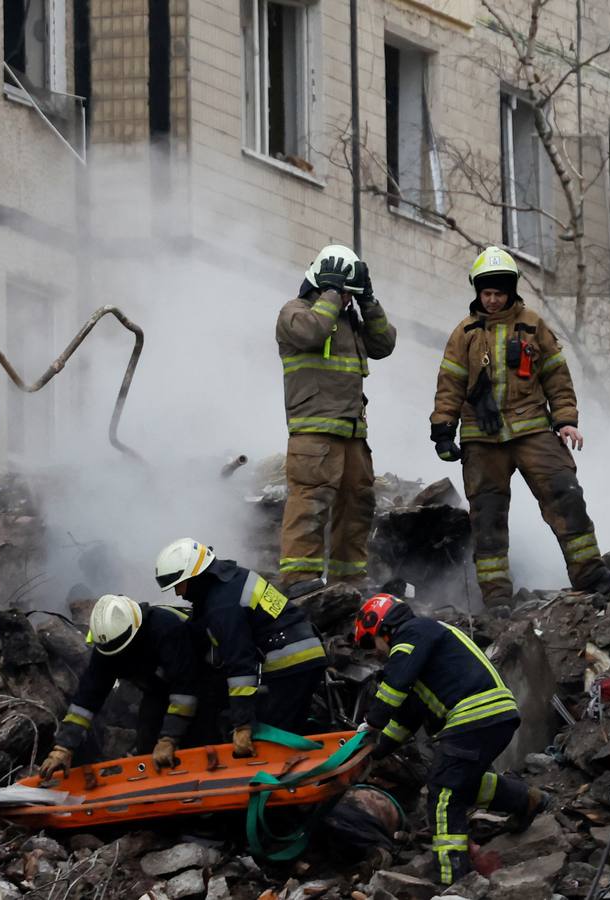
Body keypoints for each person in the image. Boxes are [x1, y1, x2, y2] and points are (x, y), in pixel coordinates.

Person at [430, 246, 610, 606]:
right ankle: (497, 600)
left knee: (566, 493)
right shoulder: (464, 333)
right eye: (487, 293)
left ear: (511, 291)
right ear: (478, 293)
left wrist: (565, 421)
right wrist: (442, 430)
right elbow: (449, 384)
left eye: (499, 293)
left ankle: (591, 576)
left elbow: (556, 377)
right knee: (486, 520)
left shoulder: (532, 325)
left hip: (532, 429)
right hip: (481, 438)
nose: (493, 300)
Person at [354, 594, 549, 885]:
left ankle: (454, 880)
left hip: (474, 715)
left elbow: (395, 685)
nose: (376, 654)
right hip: (492, 715)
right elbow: (408, 717)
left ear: (382, 627)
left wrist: (370, 723)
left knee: (444, 793)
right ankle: (526, 800)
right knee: (462, 781)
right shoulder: (426, 643)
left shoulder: (412, 633)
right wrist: (374, 751)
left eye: (372, 644)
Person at [275, 244, 397, 595]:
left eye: (349, 294)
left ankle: (348, 582)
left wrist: (369, 302)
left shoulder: (349, 320)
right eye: (343, 292)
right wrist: (331, 293)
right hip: (313, 430)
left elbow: (384, 344)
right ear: (321, 284)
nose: (346, 299)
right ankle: (300, 581)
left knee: (357, 505)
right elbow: (311, 333)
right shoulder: (294, 312)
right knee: (309, 504)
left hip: (353, 432)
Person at [154, 538, 328, 755]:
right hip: (306, 653)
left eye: (179, 585)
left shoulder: (223, 605)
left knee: (273, 740)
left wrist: (242, 725)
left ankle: (283, 781)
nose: (178, 593)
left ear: (195, 576)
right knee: (290, 727)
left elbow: (241, 665)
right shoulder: (231, 578)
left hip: (289, 664)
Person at [39, 594, 217, 778]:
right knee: (147, 744)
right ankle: (155, 793)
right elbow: (87, 698)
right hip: (157, 689)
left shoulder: (165, 627)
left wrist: (168, 739)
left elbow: (185, 688)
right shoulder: (107, 647)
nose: (118, 655)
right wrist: (63, 748)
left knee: (201, 740)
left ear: (136, 630)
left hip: (201, 682)